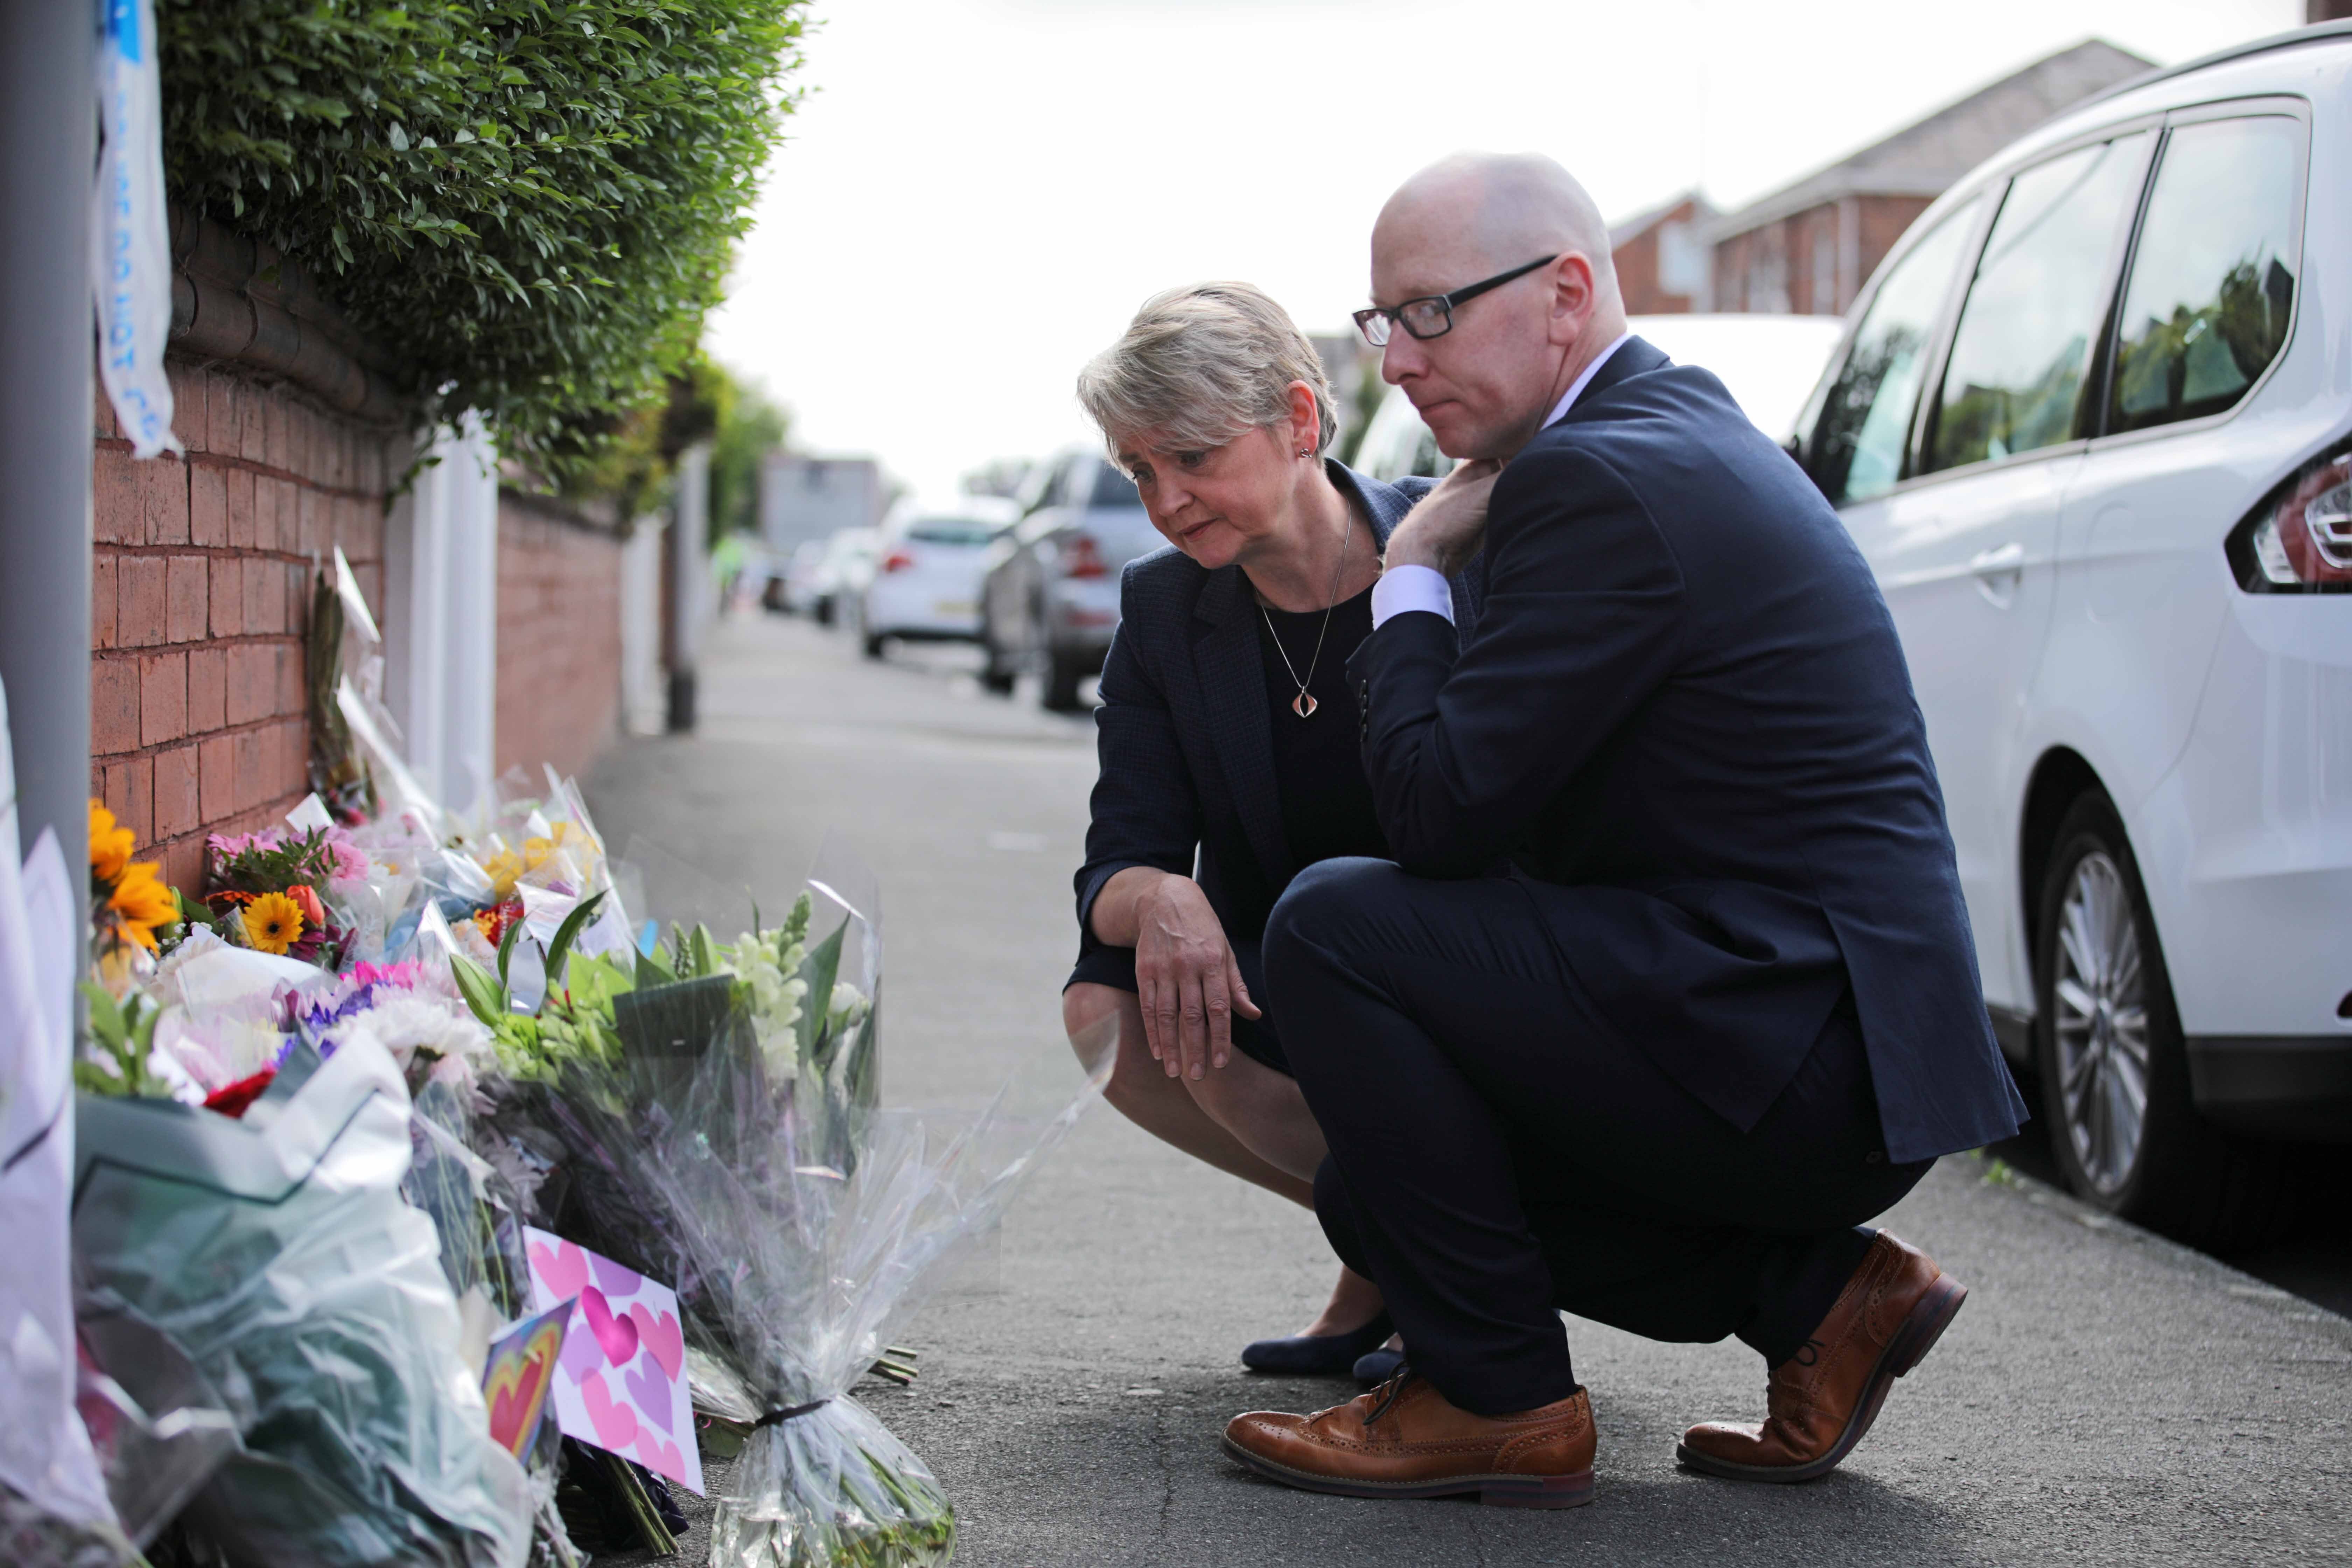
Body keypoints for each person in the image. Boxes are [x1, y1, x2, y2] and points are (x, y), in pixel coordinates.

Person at [1219, 153, 2026, 1508]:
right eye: (1381, 323)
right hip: (1803, 1025)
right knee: (1377, 1196)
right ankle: (1823, 1296)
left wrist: (1409, 564)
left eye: (1429, 312)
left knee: (1335, 927)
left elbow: (1435, 816)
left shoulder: (1598, 479)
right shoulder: (1649, 437)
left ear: (1565, 294)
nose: (1398, 363)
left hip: (1802, 1040)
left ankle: (1495, 1397)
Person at [1063, 281, 1487, 1381]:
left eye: (1191, 458)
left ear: (1300, 420)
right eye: (1140, 472)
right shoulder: (1166, 609)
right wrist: (1164, 897)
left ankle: (1455, 1270)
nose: (1167, 499)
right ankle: (1392, 1247)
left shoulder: (1454, 547)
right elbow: (1118, 856)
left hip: (1476, 963)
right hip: (1292, 976)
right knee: (1110, 1005)